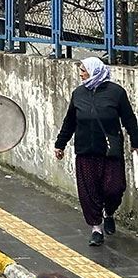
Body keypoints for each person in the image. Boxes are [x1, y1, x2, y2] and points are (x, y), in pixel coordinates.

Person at [54, 56, 138, 245]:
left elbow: (129, 120)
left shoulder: (116, 93)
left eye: (84, 70)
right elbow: (70, 122)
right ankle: (96, 228)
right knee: (89, 192)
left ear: (94, 70)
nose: (81, 74)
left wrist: (136, 142)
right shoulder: (78, 94)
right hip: (85, 150)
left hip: (109, 151)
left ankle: (109, 212)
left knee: (114, 188)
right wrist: (60, 144)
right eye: (81, 70)